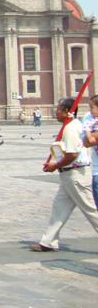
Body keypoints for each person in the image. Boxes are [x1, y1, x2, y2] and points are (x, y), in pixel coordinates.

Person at [32, 97, 98, 252]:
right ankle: (48, 241)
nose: (56, 112)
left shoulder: (71, 128)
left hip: (75, 175)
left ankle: (48, 241)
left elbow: (72, 154)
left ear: (67, 111)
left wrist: (54, 166)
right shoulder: (71, 125)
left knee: (91, 210)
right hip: (69, 175)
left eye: (58, 109)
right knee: (59, 209)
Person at [80, 95, 98, 208]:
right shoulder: (88, 117)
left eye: (92, 107)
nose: (89, 110)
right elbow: (86, 142)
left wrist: (93, 135)